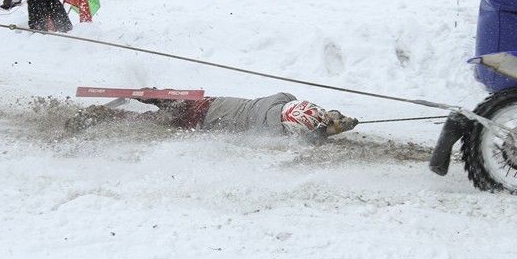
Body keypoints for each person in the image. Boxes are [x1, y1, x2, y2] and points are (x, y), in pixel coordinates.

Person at [66, 92, 359, 140]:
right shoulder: (270, 131)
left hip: (205, 102)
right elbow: (308, 140)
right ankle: (106, 117)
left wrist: (329, 116)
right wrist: (330, 129)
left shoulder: (280, 100)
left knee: (164, 100)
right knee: (147, 123)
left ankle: (148, 93)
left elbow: (299, 106)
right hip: (196, 121)